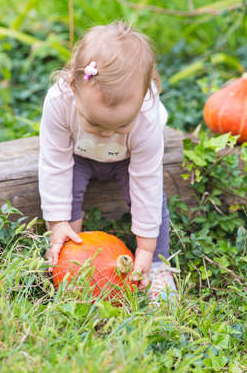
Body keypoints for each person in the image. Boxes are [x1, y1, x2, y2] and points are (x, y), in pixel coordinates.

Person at [39, 21, 177, 305]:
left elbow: (146, 182)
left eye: (121, 125)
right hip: (79, 156)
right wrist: (56, 223)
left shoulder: (147, 119)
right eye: (93, 122)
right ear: (73, 86)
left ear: (144, 98)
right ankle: (70, 255)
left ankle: (160, 266)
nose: (106, 133)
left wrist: (146, 251)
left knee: (151, 199)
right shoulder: (59, 101)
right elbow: (55, 162)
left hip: (128, 159)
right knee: (69, 193)